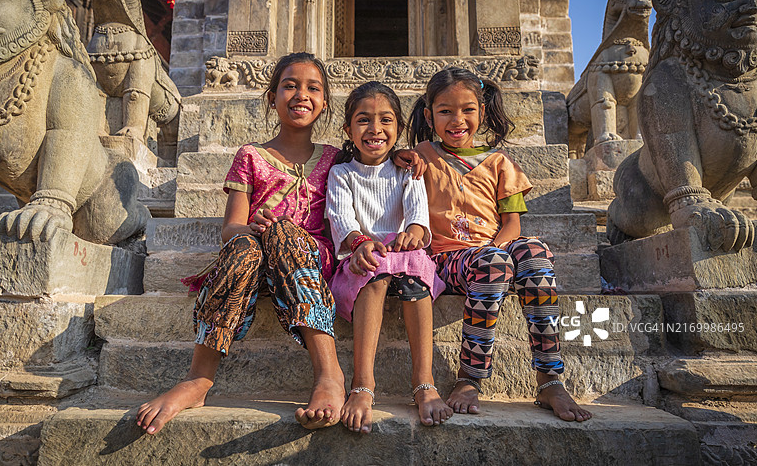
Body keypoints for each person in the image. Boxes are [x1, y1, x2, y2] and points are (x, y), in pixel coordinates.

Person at [136, 52, 347, 434]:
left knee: (283, 234)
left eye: (313, 88)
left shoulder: (335, 158)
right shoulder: (251, 156)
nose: (301, 94)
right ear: (271, 98)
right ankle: (199, 379)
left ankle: (329, 374)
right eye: (289, 85)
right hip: (252, 262)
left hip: (309, 264)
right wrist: (251, 228)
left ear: (325, 102)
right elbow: (230, 228)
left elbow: (377, 164)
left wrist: (407, 157)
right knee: (247, 246)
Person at [407, 67, 592, 422]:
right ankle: (469, 376)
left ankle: (549, 378)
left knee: (534, 253)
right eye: (445, 111)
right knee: (493, 262)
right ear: (429, 116)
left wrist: (494, 249)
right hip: (447, 258)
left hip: (493, 250)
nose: (457, 120)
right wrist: (404, 157)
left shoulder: (499, 163)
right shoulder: (423, 156)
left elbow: (512, 224)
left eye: (467, 110)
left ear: (482, 111)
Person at [326, 81, 452, 434]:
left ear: (398, 128)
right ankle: (362, 383)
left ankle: (423, 381)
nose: (375, 129)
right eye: (363, 120)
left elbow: (417, 212)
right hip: (363, 254)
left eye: (385, 120)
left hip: (405, 253)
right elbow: (341, 217)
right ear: (348, 129)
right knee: (375, 271)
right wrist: (358, 243)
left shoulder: (408, 170)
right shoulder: (342, 173)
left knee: (416, 277)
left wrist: (413, 231)